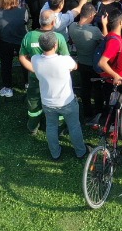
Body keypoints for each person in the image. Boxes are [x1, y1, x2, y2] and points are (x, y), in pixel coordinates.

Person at [30, 31, 85, 161]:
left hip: (48, 103)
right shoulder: (64, 60)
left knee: (51, 127)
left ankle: (55, 153)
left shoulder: (35, 60)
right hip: (67, 102)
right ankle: (80, 151)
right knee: (74, 126)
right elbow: (75, 66)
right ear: (55, 45)